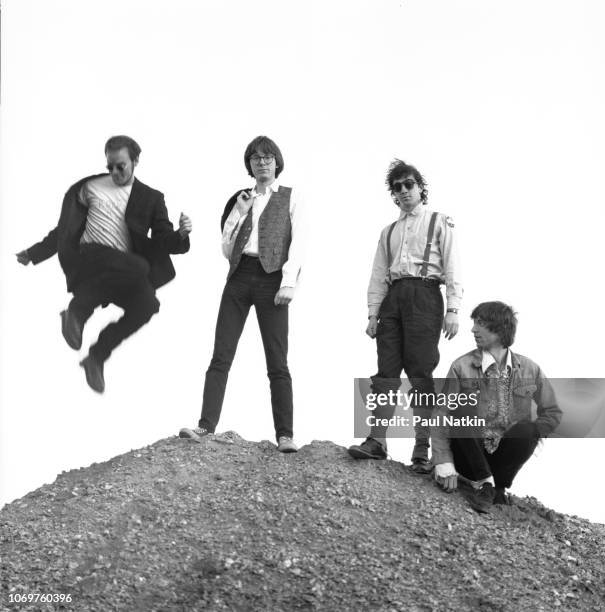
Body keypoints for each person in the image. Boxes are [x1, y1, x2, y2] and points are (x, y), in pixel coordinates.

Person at [16, 135, 192, 393]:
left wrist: (181, 235)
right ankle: (77, 313)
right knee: (138, 267)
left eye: (121, 166)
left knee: (148, 304)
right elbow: (64, 229)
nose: (114, 172)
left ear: (136, 161)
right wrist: (33, 253)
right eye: (110, 166)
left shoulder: (151, 198)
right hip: (89, 257)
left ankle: (96, 357)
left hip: (124, 269)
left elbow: (164, 239)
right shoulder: (91, 188)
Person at [179, 135, 303, 453]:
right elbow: (226, 247)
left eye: (267, 157)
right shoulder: (241, 198)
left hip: (272, 278)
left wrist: (289, 282)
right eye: (256, 158)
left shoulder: (290, 197)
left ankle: (285, 435)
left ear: (277, 162)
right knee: (221, 354)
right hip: (239, 276)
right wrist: (238, 212)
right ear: (249, 164)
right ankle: (205, 426)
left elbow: (299, 243)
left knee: (277, 361)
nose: (262, 162)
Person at [348, 159, 462, 470]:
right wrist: (373, 314)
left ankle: (422, 450)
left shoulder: (439, 221)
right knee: (386, 371)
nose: (403, 191)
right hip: (394, 298)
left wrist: (453, 308)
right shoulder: (388, 232)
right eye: (397, 188)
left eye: (408, 184)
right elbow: (378, 274)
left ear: (421, 188)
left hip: (426, 296)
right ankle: (377, 440)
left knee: (420, 372)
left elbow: (452, 266)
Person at [432, 301, 562, 512]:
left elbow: (553, 411)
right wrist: (443, 462)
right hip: (467, 454)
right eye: (474, 323)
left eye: (480, 323)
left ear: (500, 328)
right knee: (463, 410)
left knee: (529, 428)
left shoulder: (530, 369)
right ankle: (485, 482)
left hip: (501, 457)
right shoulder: (461, 366)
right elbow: (441, 414)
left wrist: (535, 433)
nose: (473, 329)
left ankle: (497, 486)